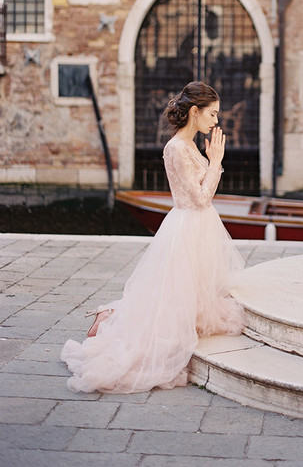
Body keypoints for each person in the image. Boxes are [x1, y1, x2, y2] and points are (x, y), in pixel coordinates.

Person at [60, 81, 244, 393]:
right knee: (170, 299)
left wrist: (212, 161)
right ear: (195, 112)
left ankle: (111, 312)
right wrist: (215, 162)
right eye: (212, 113)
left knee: (191, 292)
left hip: (201, 225)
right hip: (187, 226)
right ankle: (110, 315)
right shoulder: (176, 148)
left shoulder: (191, 146)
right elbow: (201, 199)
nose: (216, 120)